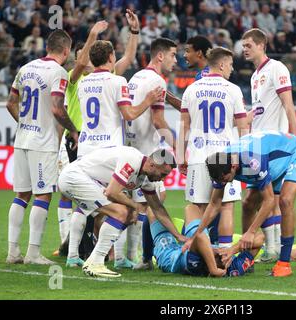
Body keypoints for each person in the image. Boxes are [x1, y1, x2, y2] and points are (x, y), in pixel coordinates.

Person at [64, 39, 163, 268]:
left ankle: (71, 255)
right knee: (123, 201)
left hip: (87, 146)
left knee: (85, 204)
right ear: (110, 58)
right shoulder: (118, 81)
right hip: (108, 149)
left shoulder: (83, 83)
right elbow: (128, 114)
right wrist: (148, 101)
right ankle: (118, 259)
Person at [55, 10, 142, 259]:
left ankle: (84, 252)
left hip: (86, 146)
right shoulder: (79, 79)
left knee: (90, 204)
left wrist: (133, 32)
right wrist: (93, 34)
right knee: (101, 202)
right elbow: (83, 63)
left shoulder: (88, 81)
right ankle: (88, 251)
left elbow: (128, 56)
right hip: (93, 146)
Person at [183, 131, 296, 277]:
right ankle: (246, 256)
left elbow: (269, 201)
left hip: (293, 153)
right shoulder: (220, 164)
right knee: (248, 204)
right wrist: (196, 236)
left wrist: (251, 232)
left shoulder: (253, 162)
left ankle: (284, 264)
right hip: (268, 159)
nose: (222, 184)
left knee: (285, 201)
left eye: (225, 180)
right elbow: (214, 204)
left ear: (233, 167)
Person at [5, 29, 78, 265]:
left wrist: (26, 123)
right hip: (43, 143)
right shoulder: (58, 72)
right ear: (66, 50)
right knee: (43, 195)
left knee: (21, 195)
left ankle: (13, 252)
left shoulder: (25, 68)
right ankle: (33, 253)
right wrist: (74, 130)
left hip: (22, 139)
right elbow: (57, 108)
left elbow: (10, 103)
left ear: (48, 47)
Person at [58, 146, 184, 278]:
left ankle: (94, 259)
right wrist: (135, 206)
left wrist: (178, 236)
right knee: (121, 212)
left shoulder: (146, 178)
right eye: (163, 174)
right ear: (152, 164)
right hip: (73, 177)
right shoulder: (132, 160)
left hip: (83, 179)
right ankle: (96, 261)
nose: (163, 179)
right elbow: (112, 192)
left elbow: (158, 209)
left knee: (127, 213)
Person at [178, 47, 249, 249]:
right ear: (221, 64)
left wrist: (181, 156)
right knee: (226, 207)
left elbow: (184, 125)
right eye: (230, 65)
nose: (232, 69)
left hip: (199, 156)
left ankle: (200, 254)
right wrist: (240, 157)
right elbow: (243, 127)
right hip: (225, 157)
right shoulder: (233, 90)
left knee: (199, 207)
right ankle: (225, 254)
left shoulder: (191, 89)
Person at [241, 28, 296, 262]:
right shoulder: (255, 76)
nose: (244, 49)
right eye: (243, 46)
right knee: (271, 199)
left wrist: (295, 137)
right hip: (259, 144)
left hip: (274, 145)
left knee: (252, 201)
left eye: (249, 45)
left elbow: (288, 104)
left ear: (261, 45)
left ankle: (264, 248)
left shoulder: (277, 68)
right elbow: (260, 109)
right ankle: (273, 249)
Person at [122, 38, 178, 270]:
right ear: (160, 56)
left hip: (129, 149)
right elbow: (158, 120)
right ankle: (137, 257)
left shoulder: (135, 77)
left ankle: (131, 257)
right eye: (173, 55)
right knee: (148, 205)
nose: (176, 60)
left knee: (138, 205)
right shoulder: (157, 81)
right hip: (147, 156)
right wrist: (177, 147)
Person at [150, 204, 263, 277]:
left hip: (170, 255)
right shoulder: (234, 267)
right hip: (195, 245)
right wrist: (233, 250)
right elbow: (260, 238)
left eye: (217, 256)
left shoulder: (195, 264)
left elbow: (199, 236)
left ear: (208, 262)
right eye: (221, 254)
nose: (219, 252)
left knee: (152, 210)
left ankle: (146, 258)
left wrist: (214, 269)